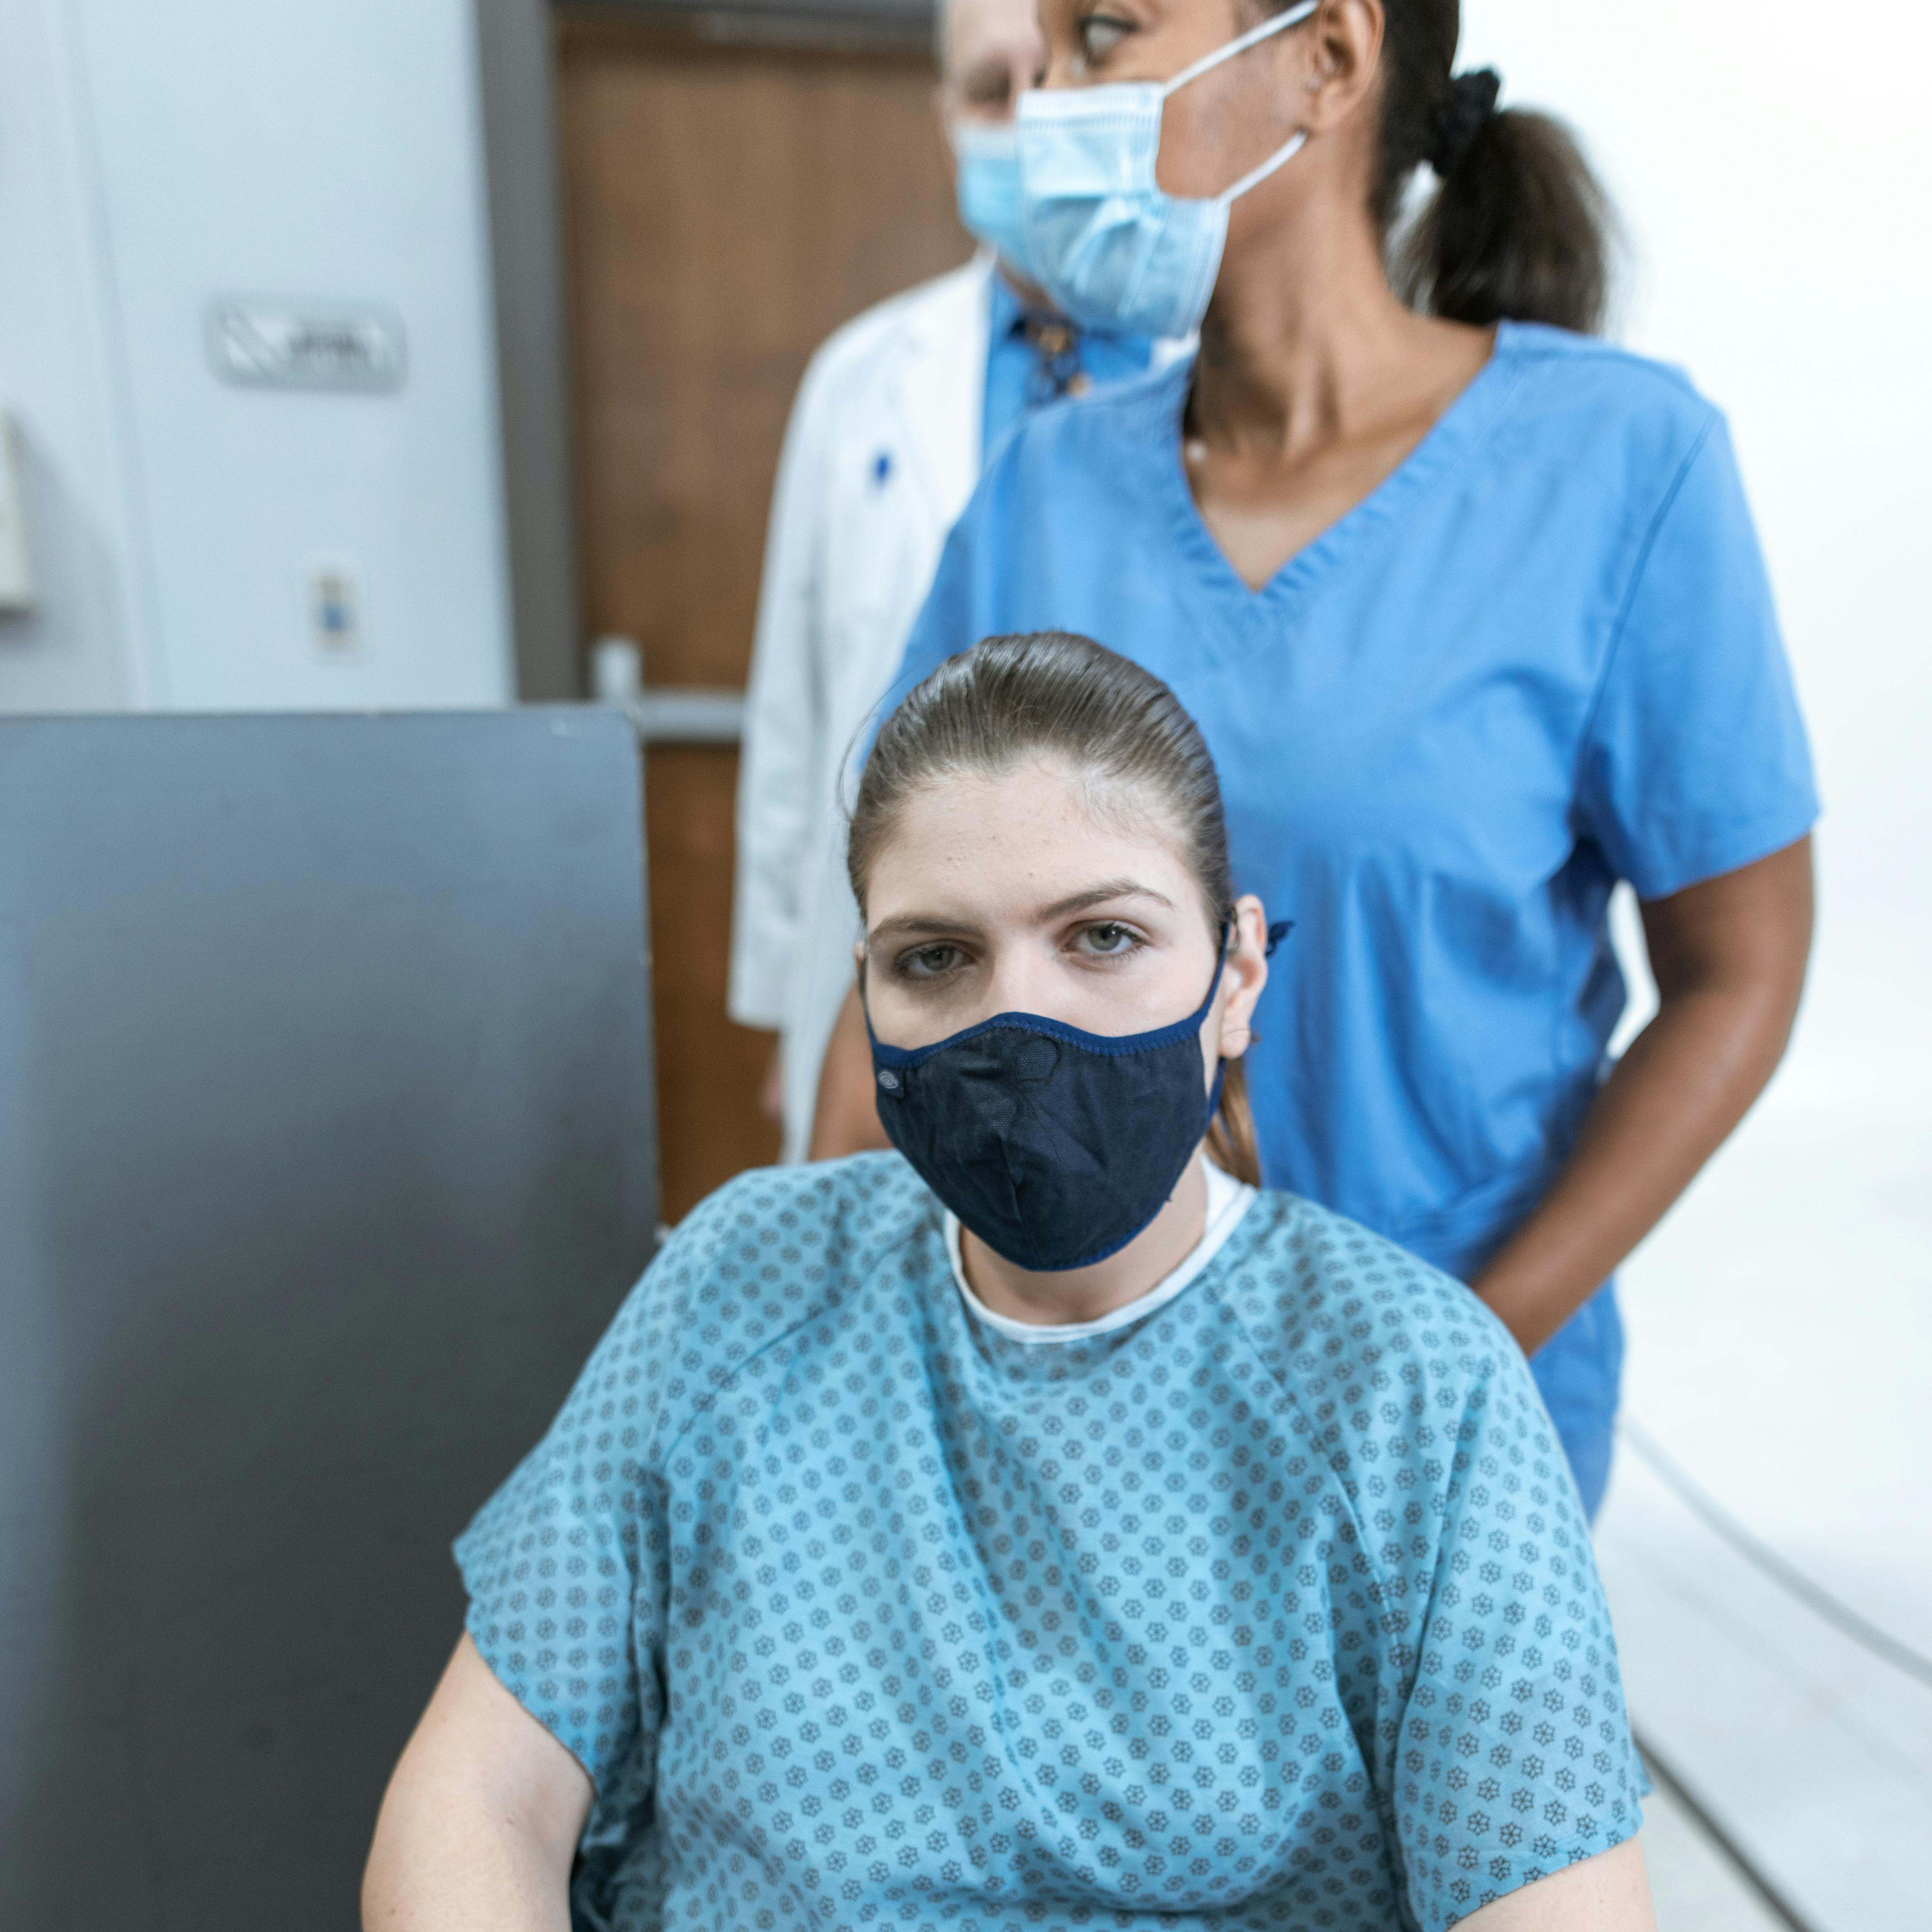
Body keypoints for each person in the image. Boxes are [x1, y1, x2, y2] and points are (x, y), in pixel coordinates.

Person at [364, 634, 1657, 1932]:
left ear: (1236, 970)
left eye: (1101, 936)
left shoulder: (1406, 1389)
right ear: (863, 986)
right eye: (934, 957)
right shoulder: (739, 1285)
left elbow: (1551, 1899)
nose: (1017, 1025)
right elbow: (481, 1794)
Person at [811, 0, 1819, 1518]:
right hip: (1068, 1426)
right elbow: (897, 958)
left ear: (1326, 58)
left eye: (1104, 37)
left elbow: (1740, 973)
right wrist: (822, 1327)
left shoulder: (1616, 466)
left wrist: (1463, 1347)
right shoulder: (1048, 492)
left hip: (1452, 1433)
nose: (1054, 100)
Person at [729, 0, 1168, 1163]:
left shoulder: (1217, 365)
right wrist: (790, 1022)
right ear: (943, 118)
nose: (1031, 118)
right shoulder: (863, 377)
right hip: (906, 965)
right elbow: (795, 720)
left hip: (1125, 975)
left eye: (1060, 73)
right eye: (990, 91)